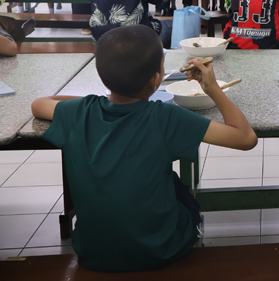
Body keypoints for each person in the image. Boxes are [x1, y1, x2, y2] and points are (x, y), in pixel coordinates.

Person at [30, 25, 257, 272]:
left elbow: (39, 104)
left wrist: (93, 103)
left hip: (93, 252)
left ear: (101, 73)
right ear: (156, 79)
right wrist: (212, 88)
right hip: (162, 250)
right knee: (180, 190)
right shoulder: (165, 116)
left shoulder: (80, 113)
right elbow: (245, 138)